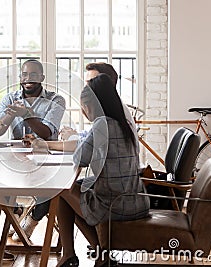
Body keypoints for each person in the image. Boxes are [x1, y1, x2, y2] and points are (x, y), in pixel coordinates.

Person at [55, 73, 149, 267]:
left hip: (115, 205)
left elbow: (79, 158)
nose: (84, 112)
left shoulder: (102, 124)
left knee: (62, 190)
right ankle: (92, 255)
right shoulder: (124, 123)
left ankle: (81, 255)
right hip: (136, 200)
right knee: (74, 191)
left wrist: (76, 138)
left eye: (84, 106)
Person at [0, 59, 66, 259]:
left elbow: (46, 131)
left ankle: (28, 221)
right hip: (15, 159)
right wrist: (8, 116)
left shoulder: (56, 100)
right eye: (25, 75)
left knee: (56, 188)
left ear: (42, 78)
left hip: (46, 159)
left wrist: (27, 115)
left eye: (34, 75)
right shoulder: (10, 98)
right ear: (20, 77)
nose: (28, 79)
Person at [60, 62, 136, 143]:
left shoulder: (116, 113)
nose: (87, 87)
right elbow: (94, 137)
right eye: (87, 82)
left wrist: (73, 137)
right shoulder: (109, 107)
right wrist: (75, 135)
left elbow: (92, 146)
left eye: (92, 81)